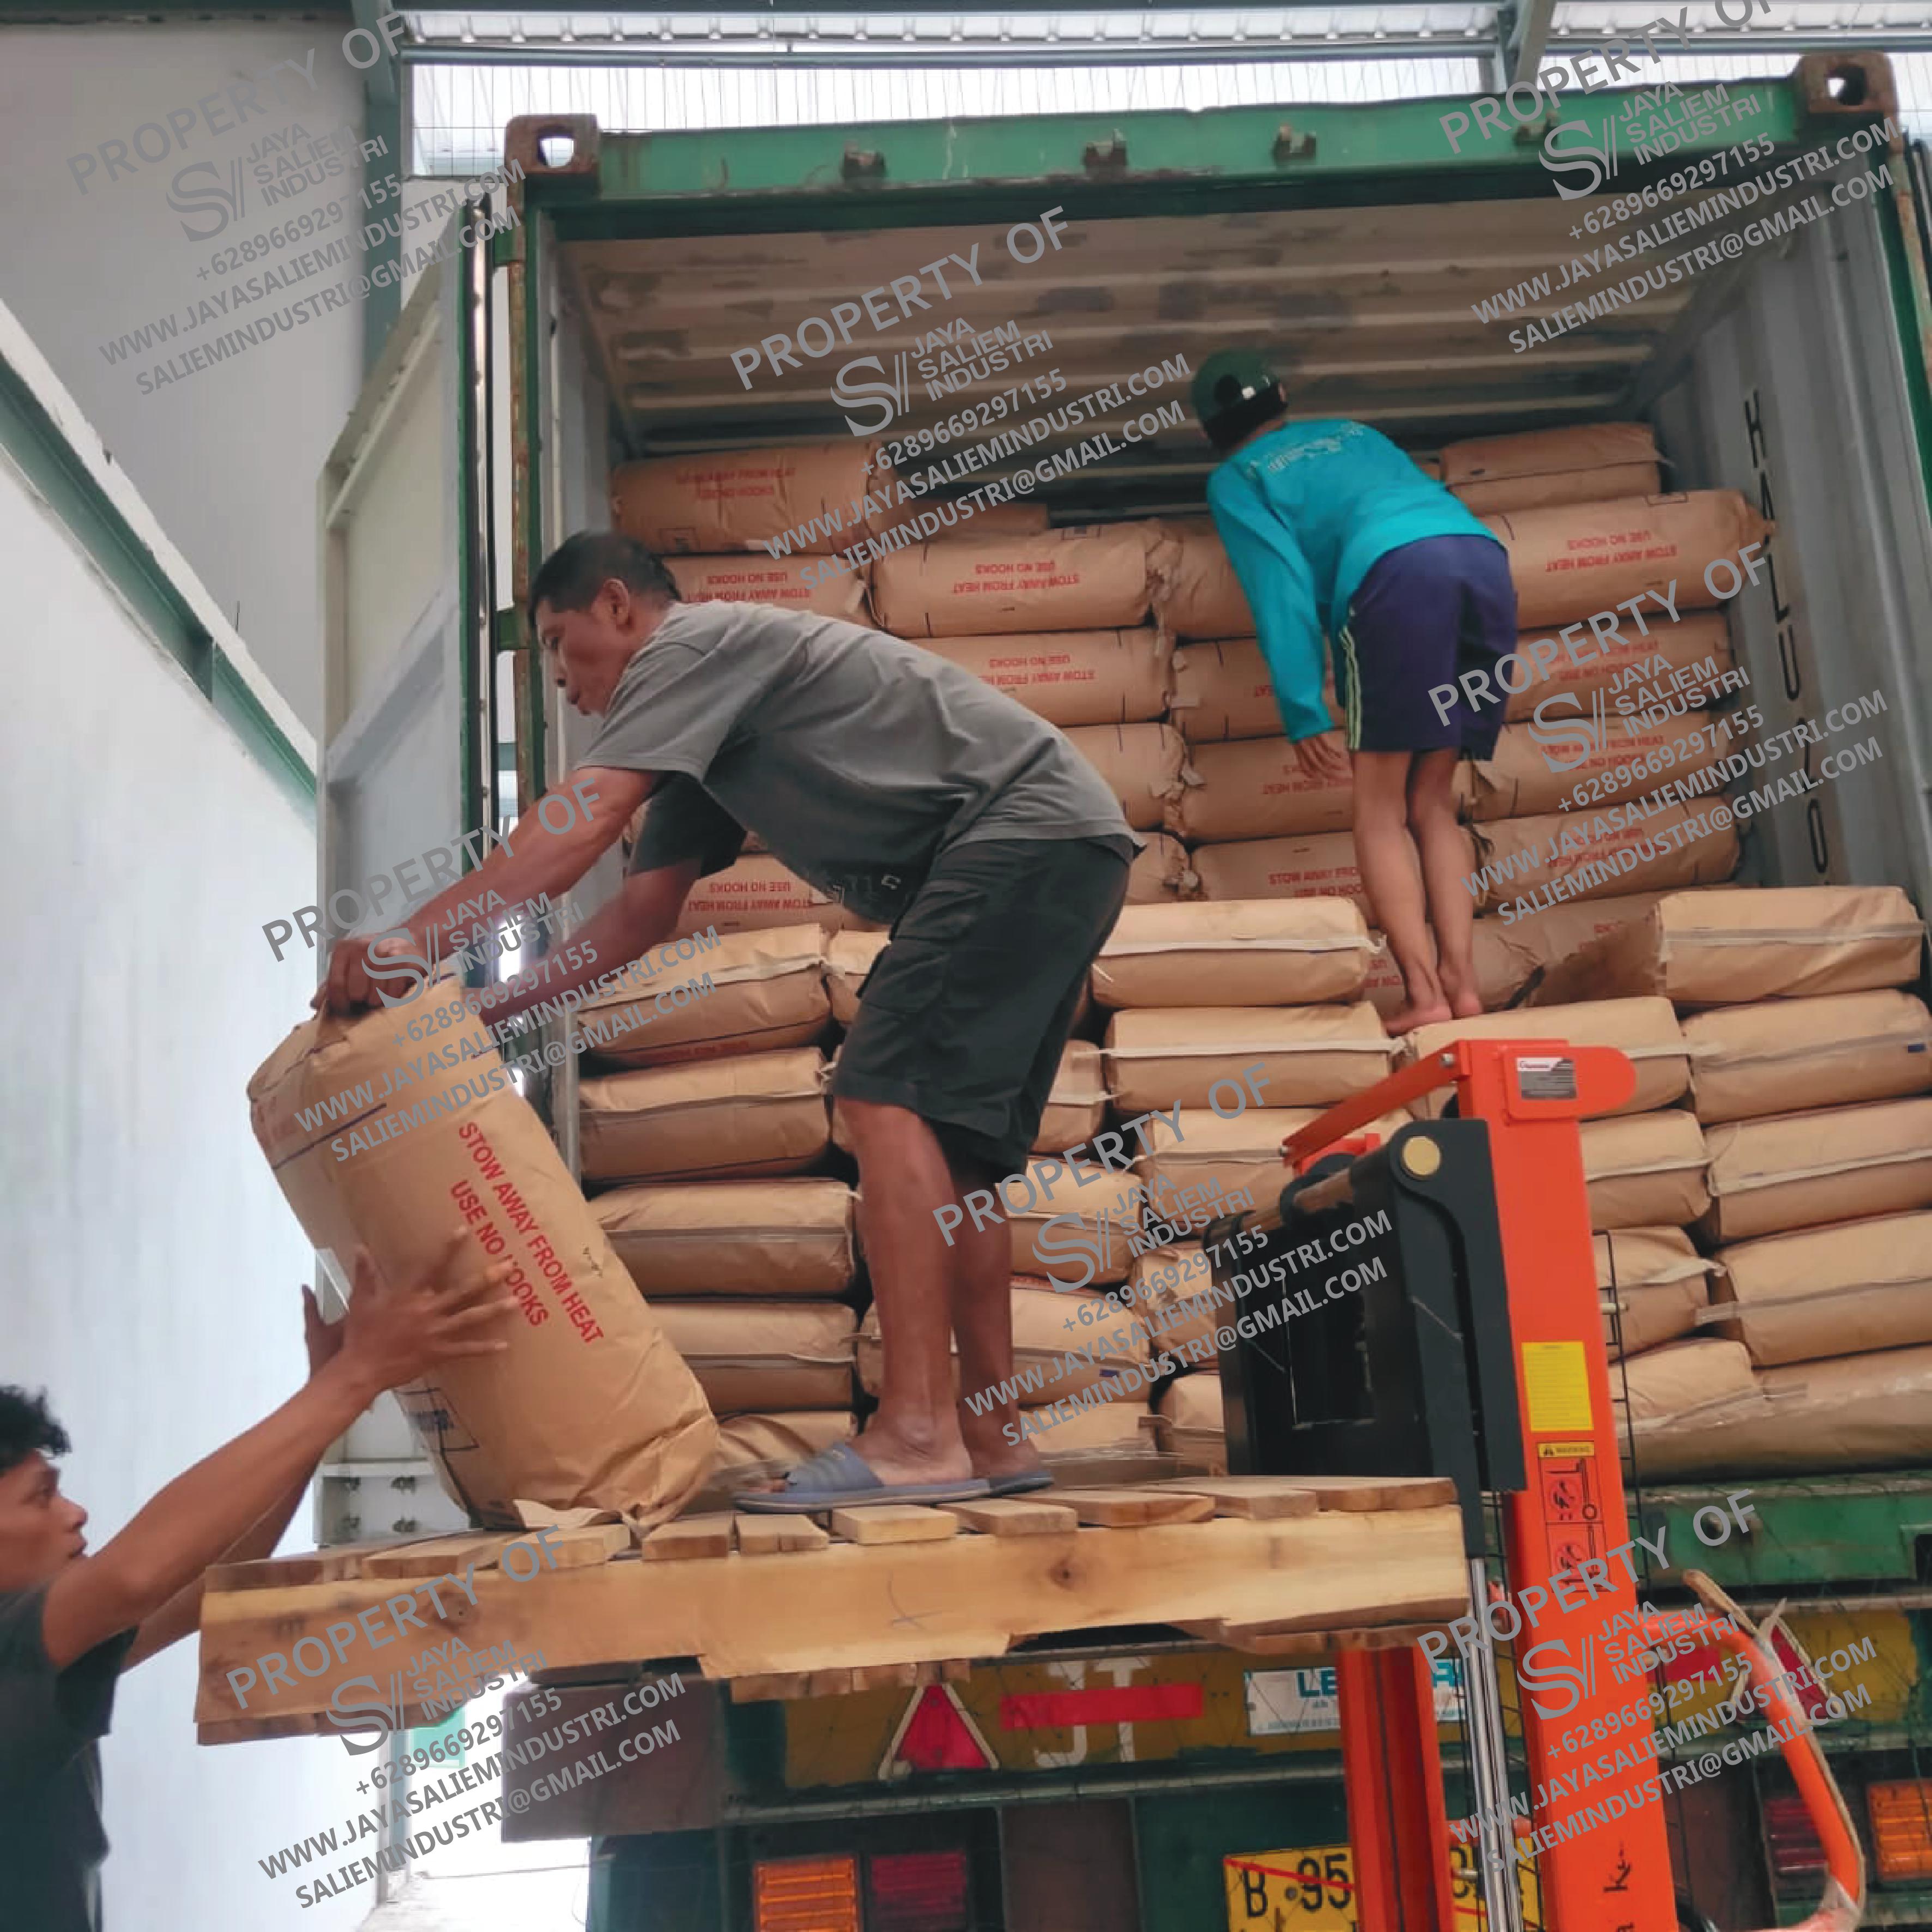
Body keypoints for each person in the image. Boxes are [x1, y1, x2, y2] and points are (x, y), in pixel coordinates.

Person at [318, 529, 1139, 1513]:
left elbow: (576, 824)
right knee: (952, 1150)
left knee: (878, 1096)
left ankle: (917, 1432)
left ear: (618, 607)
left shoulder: (688, 652)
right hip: (1061, 844)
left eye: (555, 641)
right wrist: (480, 1012)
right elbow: (636, 918)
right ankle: (990, 1429)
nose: (562, 682)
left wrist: (408, 947)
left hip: (1016, 834)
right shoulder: (700, 740)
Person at [0, 1231, 516, 1930]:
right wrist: (356, 1376)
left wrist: (326, 1396)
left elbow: (200, 1587)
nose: (76, 1511)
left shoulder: (45, 1661)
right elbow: (134, 1574)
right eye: (42, 1496)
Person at [1191, 349, 1517, 1031]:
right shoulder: (1356, 432)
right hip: (1480, 558)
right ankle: (1463, 985)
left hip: (1394, 577)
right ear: (1281, 396)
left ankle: (1425, 993)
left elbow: (1277, 585)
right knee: (1433, 801)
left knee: (1377, 808)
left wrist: (1303, 707)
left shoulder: (1238, 477)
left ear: (1210, 430)